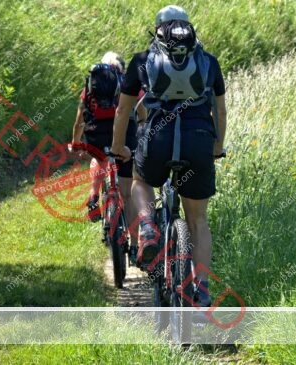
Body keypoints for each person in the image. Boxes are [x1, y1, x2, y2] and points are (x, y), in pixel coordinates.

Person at [110, 5, 227, 306]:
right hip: (198, 141)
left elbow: (123, 110)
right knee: (198, 220)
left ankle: (148, 227)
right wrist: (217, 146)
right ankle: (200, 289)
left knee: (140, 180)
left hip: (156, 138)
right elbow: (220, 110)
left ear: (158, 29)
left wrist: (118, 146)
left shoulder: (141, 61)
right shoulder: (208, 62)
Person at [71, 51, 147, 264]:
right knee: (129, 195)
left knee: (98, 156)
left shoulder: (90, 86)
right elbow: (142, 109)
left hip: (96, 133)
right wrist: (142, 130)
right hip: (124, 136)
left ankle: (94, 195)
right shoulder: (128, 82)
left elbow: (79, 121)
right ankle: (134, 246)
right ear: (121, 68)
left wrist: (76, 143)